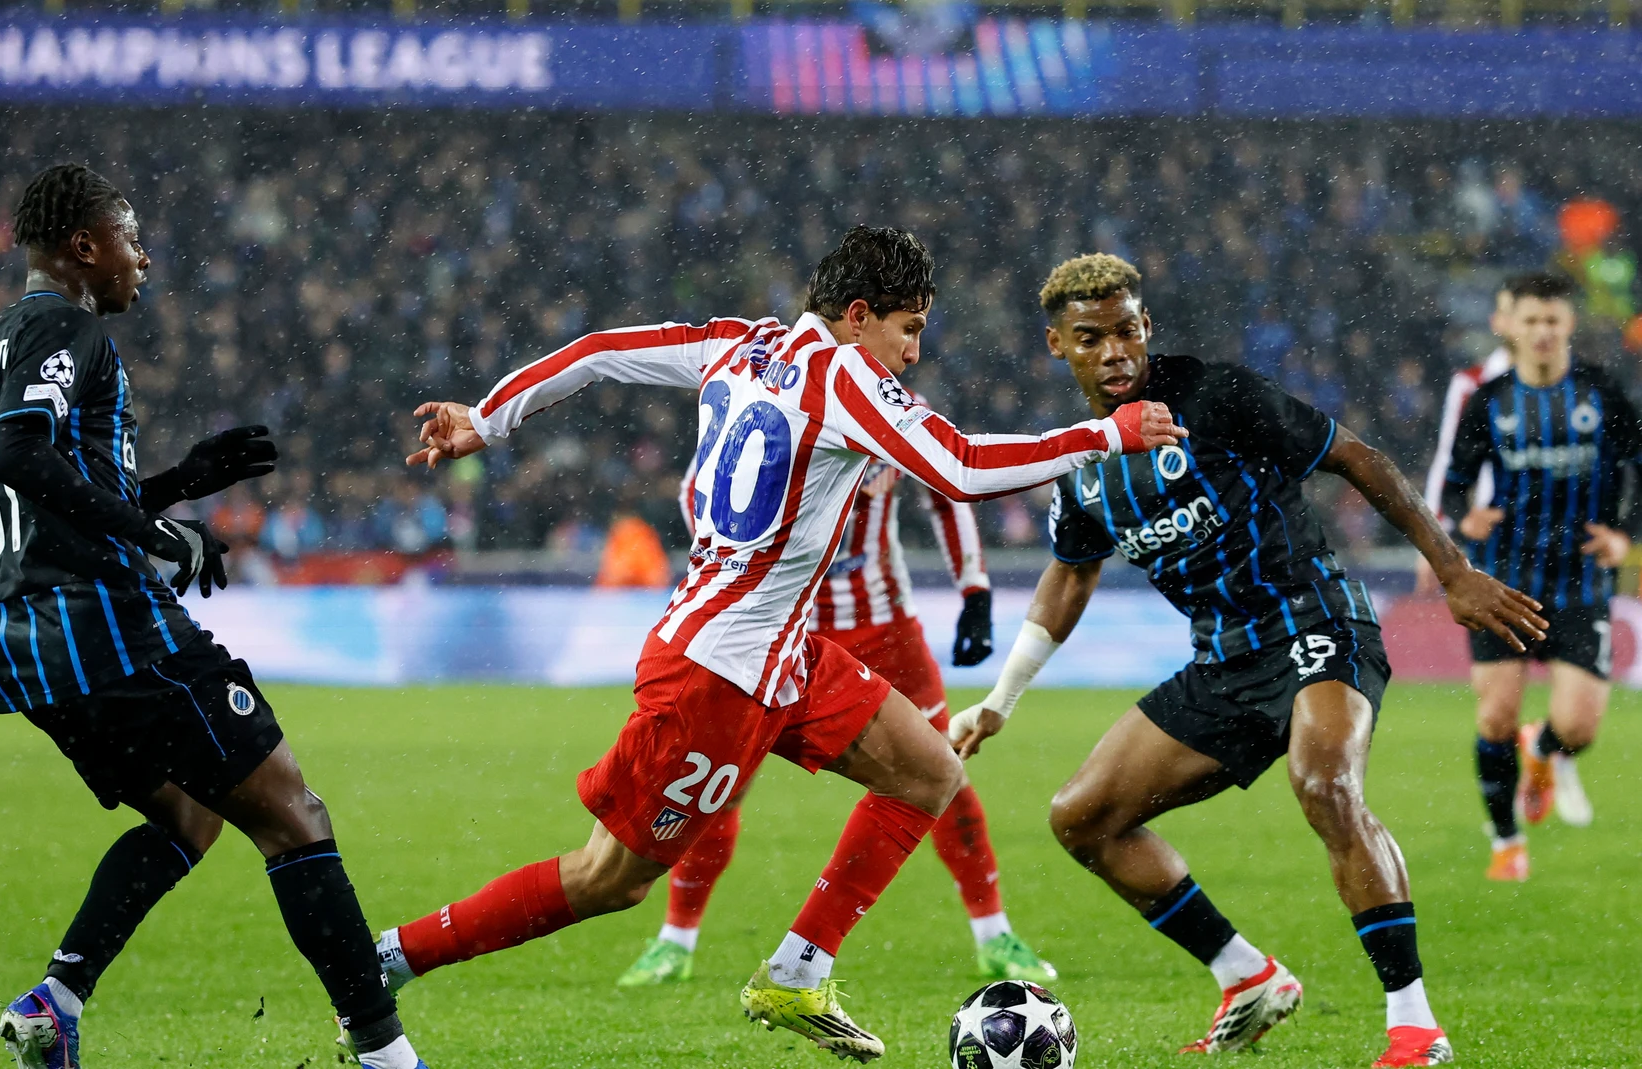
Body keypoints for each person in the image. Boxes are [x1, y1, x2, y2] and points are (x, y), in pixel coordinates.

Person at [393, 226, 1184, 1061]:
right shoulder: (845, 374)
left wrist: (487, 417)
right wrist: (1106, 434)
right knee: (607, 880)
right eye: (907, 329)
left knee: (930, 770)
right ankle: (388, 959)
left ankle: (797, 971)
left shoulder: (737, 343)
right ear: (856, 315)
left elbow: (598, 350)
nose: (912, 354)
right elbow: (957, 467)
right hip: (717, 672)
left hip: (784, 652)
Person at [949, 254, 1545, 1069]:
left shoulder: (1214, 396)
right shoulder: (1081, 466)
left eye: (1127, 330)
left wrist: (1452, 572)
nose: (1116, 351)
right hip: (1225, 661)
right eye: (1092, 338)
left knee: (1324, 781)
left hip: (1315, 617)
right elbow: (1070, 574)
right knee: (1081, 817)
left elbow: (1356, 456)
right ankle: (1248, 976)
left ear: (1146, 326)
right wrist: (999, 700)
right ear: (1059, 346)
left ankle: (1415, 1024)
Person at [0, 164, 424, 1069]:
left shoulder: (4, 336)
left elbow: (52, 477)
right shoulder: (64, 324)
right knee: (293, 811)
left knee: (189, 816)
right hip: (95, 618)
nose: (143, 259)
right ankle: (388, 1058)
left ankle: (56, 999)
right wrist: (159, 535)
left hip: (14, 630)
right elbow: (21, 452)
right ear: (84, 246)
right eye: (130, 239)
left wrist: (176, 483)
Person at [613, 396, 1056, 991]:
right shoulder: (774, 398)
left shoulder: (901, 410)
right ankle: (675, 940)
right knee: (722, 781)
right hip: (786, 634)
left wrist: (974, 589)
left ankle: (993, 932)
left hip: (885, 632)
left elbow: (947, 491)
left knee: (943, 772)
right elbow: (699, 486)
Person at [1441, 271, 1639, 880]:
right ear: (1509, 326)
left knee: (1579, 726)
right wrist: (1464, 517)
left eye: (1553, 320)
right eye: (1531, 321)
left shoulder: (1601, 392)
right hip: (1506, 577)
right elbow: (1454, 482)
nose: (1543, 332)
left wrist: (1625, 533)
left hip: (1582, 579)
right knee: (1496, 716)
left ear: (1568, 324)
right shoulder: (1490, 398)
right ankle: (1506, 843)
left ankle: (1546, 748)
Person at [1415, 284, 1515, 593]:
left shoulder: (1582, 388)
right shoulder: (1472, 385)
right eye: (1514, 313)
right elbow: (1448, 458)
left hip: (1566, 543)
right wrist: (1432, 540)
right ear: (1496, 321)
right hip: (1496, 538)